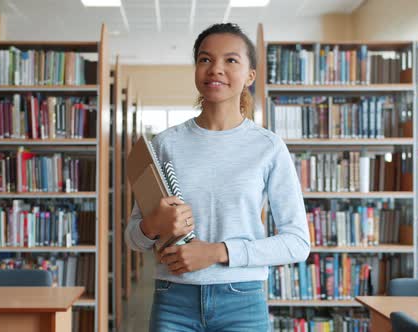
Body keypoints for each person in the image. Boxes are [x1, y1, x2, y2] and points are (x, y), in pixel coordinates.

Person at [124, 23, 310, 332]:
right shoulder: (164, 144)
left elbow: (298, 243)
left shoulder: (268, 147)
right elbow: (133, 238)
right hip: (173, 300)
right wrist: (153, 225)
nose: (215, 70)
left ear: (250, 75)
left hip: (242, 300)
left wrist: (216, 252)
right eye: (205, 59)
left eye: (231, 60)